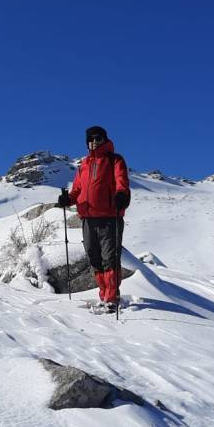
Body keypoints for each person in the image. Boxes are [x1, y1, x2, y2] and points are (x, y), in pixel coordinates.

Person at [57, 125, 130, 310]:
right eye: (92, 139)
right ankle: (103, 294)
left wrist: (122, 195)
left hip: (109, 217)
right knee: (94, 258)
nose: (95, 142)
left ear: (105, 139)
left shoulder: (115, 160)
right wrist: (67, 200)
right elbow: (77, 191)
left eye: (99, 138)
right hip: (88, 218)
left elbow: (121, 181)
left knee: (110, 258)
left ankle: (112, 297)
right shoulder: (84, 165)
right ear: (87, 143)